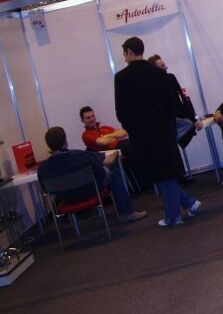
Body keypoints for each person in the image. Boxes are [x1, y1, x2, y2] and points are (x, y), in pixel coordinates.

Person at [114, 37, 201, 227]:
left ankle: (174, 217)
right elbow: (170, 106)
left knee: (160, 174)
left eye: (124, 53)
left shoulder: (121, 78)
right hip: (163, 131)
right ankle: (189, 203)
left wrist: (131, 128)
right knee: (166, 172)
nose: (124, 57)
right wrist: (169, 127)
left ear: (129, 51)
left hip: (140, 135)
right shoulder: (160, 74)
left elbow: (121, 111)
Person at [37, 126, 147, 223]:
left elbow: (46, 190)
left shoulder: (43, 169)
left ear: (49, 145)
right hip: (90, 190)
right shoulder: (80, 155)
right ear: (65, 141)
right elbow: (107, 161)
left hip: (65, 197)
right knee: (114, 170)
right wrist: (115, 153)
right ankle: (126, 213)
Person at [147, 55, 202, 149]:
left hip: (178, 117)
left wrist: (194, 119)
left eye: (164, 64)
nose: (166, 67)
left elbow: (183, 99)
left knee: (188, 124)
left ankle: (167, 141)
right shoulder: (151, 85)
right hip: (166, 119)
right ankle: (167, 141)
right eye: (162, 66)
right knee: (187, 124)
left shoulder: (171, 78)